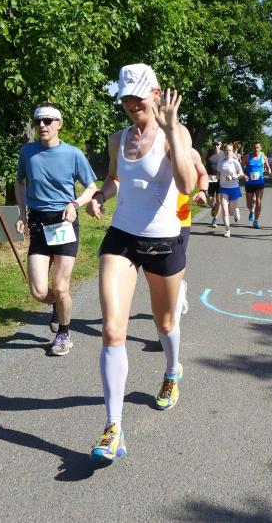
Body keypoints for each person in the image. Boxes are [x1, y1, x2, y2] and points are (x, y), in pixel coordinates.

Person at [85, 63, 195, 463]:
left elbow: (187, 184)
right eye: (126, 99)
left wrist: (172, 130)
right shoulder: (118, 138)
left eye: (138, 97)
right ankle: (113, 428)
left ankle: (171, 371)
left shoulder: (176, 133)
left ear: (156, 94)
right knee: (112, 329)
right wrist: (101, 195)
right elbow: (115, 179)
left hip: (164, 240)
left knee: (164, 324)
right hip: (122, 238)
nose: (132, 105)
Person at [14, 102, 98, 356]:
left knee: (61, 287)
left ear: (59, 124)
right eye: (38, 121)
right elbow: (20, 182)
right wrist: (22, 213)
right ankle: (58, 305)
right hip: (38, 224)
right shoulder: (27, 152)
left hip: (64, 222)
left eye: (48, 121)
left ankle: (63, 333)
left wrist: (75, 204)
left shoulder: (73, 154)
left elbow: (92, 187)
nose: (42, 125)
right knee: (39, 291)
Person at [173, 148, 210, 316]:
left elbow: (203, 174)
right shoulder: (144, 147)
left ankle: (178, 291)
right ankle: (178, 287)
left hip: (180, 219)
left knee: (175, 264)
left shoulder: (189, 152)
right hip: (151, 221)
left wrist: (203, 191)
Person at [217, 143, 247, 237]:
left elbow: (241, 173)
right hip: (223, 188)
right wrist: (214, 178)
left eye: (229, 150)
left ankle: (236, 210)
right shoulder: (220, 161)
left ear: (232, 151)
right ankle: (227, 230)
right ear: (224, 151)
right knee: (225, 211)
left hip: (234, 188)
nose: (228, 152)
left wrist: (235, 176)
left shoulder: (235, 162)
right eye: (226, 150)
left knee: (231, 212)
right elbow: (219, 173)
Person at [243, 140, 269, 228]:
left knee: (258, 202)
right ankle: (251, 210)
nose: (256, 149)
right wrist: (243, 175)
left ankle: (256, 221)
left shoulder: (263, 157)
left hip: (259, 183)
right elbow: (239, 166)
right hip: (249, 183)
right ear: (252, 148)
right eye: (254, 148)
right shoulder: (247, 157)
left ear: (260, 148)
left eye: (258, 147)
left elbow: (268, 168)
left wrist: (270, 173)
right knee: (248, 204)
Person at [205, 140, 223, 228]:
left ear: (220, 144)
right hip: (210, 180)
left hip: (220, 180)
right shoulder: (207, 152)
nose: (215, 146)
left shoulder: (223, 154)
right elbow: (200, 162)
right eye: (214, 144)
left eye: (217, 144)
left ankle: (215, 220)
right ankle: (214, 207)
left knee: (219, 200)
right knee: (209, 200)